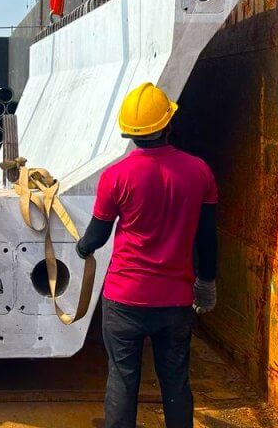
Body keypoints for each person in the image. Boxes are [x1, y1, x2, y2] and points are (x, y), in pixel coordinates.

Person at [76, 82, 218, 428]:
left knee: (123, 381)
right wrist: (206, 282)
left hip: (125, 300)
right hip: (175, 301)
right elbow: (207, 237)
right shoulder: (199, 171)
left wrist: (83, 248)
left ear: (130, 132)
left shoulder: (116, 176)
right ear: (168, 124)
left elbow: (97, 235)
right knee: (175, 382)